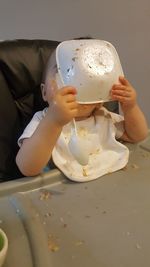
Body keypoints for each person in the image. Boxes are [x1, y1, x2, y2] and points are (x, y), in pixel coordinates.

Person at [16, 47, 148, 182]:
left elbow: (137, 136)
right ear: (44, 92)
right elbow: (27, 168)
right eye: (63, 74)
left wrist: (130, 107)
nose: (75, 86)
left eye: (87, 80)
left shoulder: (103, 117)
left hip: (109, 182)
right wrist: (53, 122)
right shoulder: (43, 121)